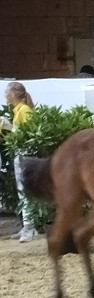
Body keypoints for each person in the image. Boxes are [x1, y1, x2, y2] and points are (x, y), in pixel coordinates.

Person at [5, 82, 37, 242]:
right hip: (20, 154)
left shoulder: (23, 110)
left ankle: (30, 227)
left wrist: (9, 128)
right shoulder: (18, 110)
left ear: (13, 94)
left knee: (24, 191)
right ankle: (27, 225)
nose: (5, 95)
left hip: (24, 154)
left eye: (7, 92)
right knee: (22, 191)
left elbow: (27, 132)